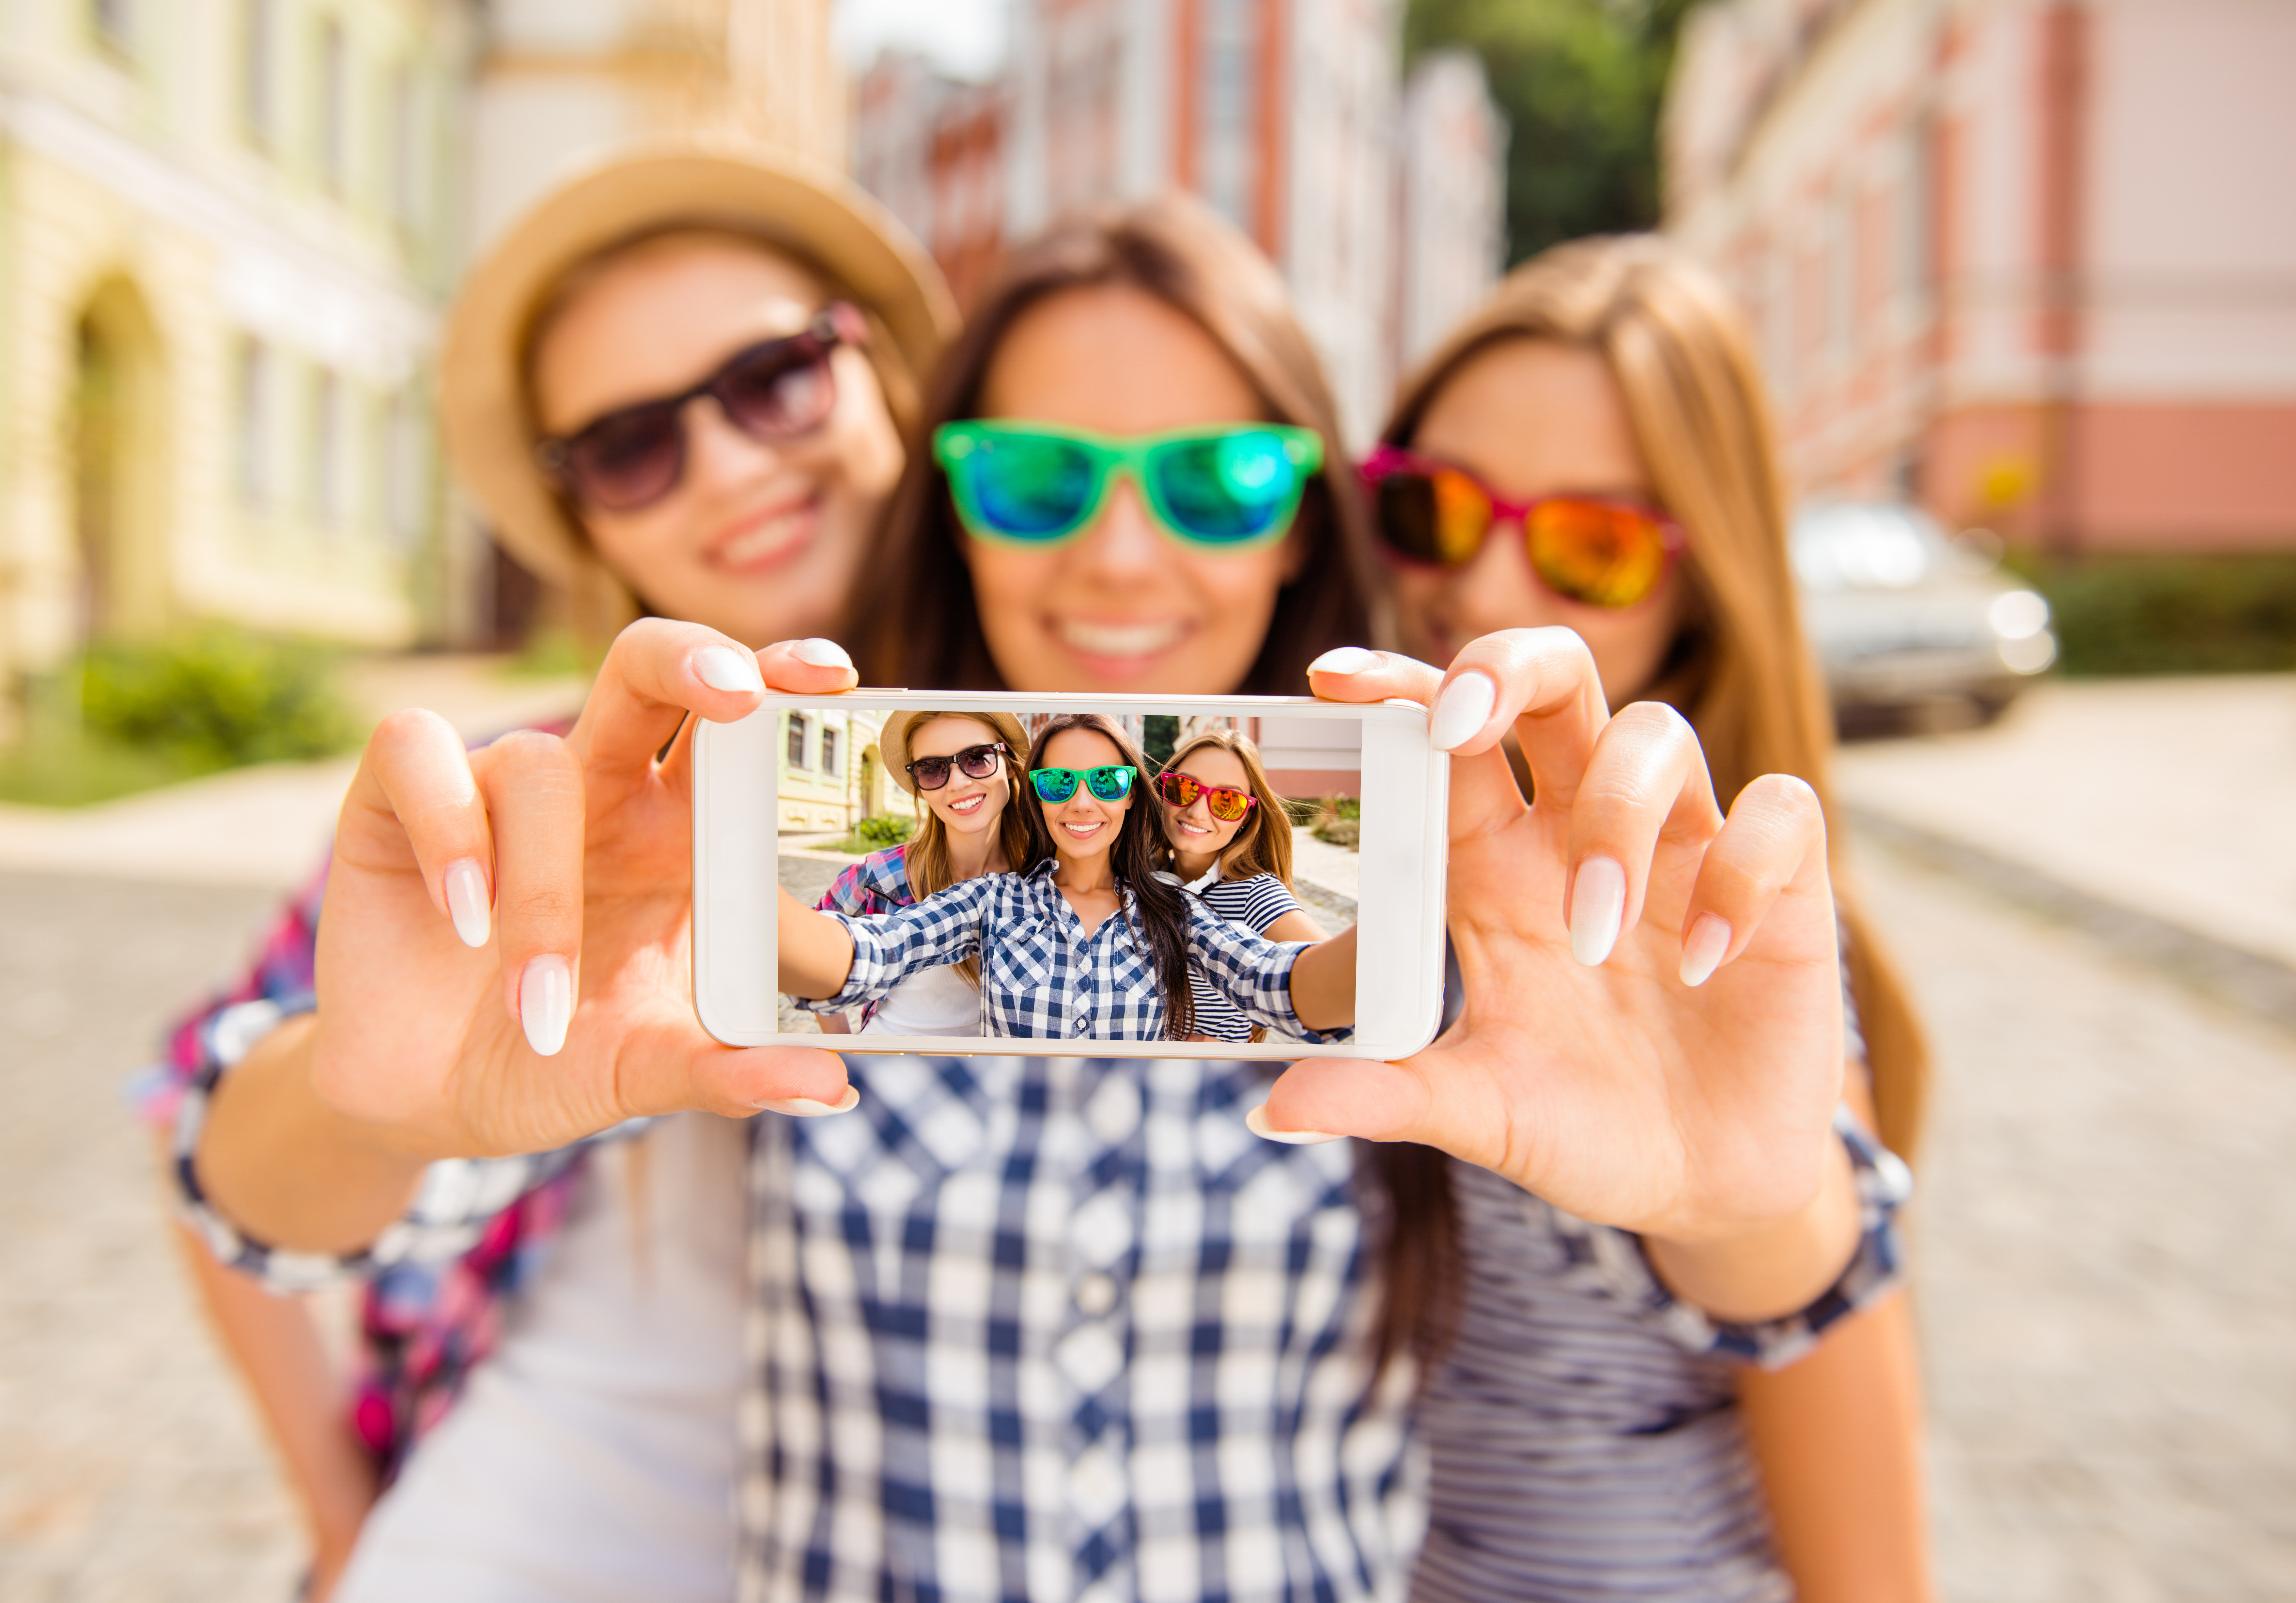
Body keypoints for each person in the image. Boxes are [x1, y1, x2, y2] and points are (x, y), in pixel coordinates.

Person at [172, 197, 1887, 1603]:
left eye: (1217, 480)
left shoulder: (1434, 888)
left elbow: (1749, 1268)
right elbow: (265, 1187)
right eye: (1037, 479)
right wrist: (378, 1094)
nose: (1121, 554)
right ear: (955, 506)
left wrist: (1753, 1196)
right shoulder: (778, 836)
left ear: (1304, 520)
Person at [139, 134, 954, 1602]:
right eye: (632, 445)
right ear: (582, 510)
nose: (731, 466)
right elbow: (204, 1133)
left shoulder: (1075, 769)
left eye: (774, 376)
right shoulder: (521, 804)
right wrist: (345, 1522)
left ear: (880, 370)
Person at [1343, 233, 1934, 1601]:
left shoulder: (1719, 938)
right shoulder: (1332, 852)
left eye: (1591, 547)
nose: (1485, 592)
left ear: (1701, 596)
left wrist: (1755, 1210)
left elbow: (1868, 1561)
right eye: (1436, 507)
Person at [780, 712, 1357, 1041]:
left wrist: (1403, 925)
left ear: (1131, 794)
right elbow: (868, 953)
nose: (1082, 801)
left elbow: (1279, 981)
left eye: (1106, 781)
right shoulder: (990, 901)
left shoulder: (1174, 910)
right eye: (1059, 782)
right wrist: (735, 887)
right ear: (1036, 795)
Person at [809, 708, 1032, 1036]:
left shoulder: (1041, 878)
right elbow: (808, 947)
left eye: (977, 758)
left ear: (1009, 764)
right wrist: (843, 1048)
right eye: (932, 769)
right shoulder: (882, 876)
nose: (958, 783)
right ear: (920, 786)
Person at [1154, 727, 1329, 1042]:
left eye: (1227, 801)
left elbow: (1343, 984)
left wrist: (1232, 1055)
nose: (1197, 811)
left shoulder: (1255, 892)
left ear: (1246, 817)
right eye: (1184, 788)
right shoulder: (1149, 876)